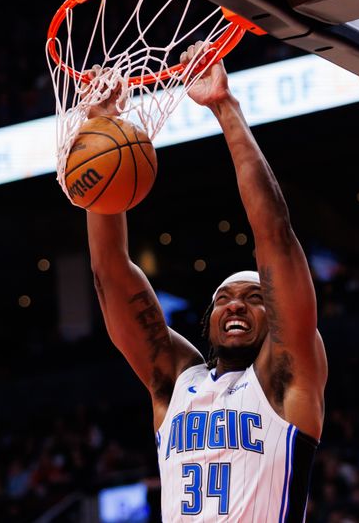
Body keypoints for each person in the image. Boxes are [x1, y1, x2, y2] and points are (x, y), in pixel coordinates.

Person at [84, 42, 328, 521]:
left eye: (253, 297)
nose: (234, 305)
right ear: (208, 317)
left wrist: (224, 107)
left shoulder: (286, 377)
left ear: (274, 312)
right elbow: (109, 271)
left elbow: (274, 236)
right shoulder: (177, 382)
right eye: (223, 298)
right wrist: (102, 132)